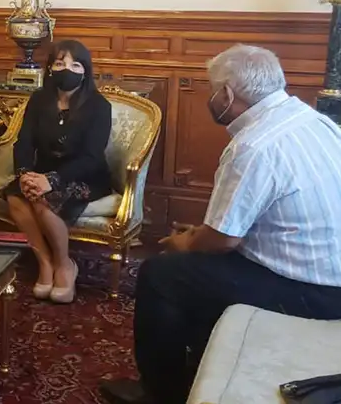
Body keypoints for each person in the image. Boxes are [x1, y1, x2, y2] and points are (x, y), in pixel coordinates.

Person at [99, 44, 341, 404]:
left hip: (309, 291)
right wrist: (197, 237)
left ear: (227, 94)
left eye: (212, 90)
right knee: (198, 270)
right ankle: (199, 358)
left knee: (160, 274)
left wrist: (185, 243)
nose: (210, 98)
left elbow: (222, 240)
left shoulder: (255, 145)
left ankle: (160, 392)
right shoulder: (315, 121)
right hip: (329, 274)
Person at [0, 39, 112, 304]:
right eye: (59, 63)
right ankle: (45, 262)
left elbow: (92, 156)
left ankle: (64, 265)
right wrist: (25, 173)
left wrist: (53, 180)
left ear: (85, 71)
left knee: (44, 200)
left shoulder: (99, 106)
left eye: (74, 64)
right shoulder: (39, 99)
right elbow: (23, 142)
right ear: (49, 69)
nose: (66, 69)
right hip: (42, 171)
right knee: (16, 195)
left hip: (85, 175)